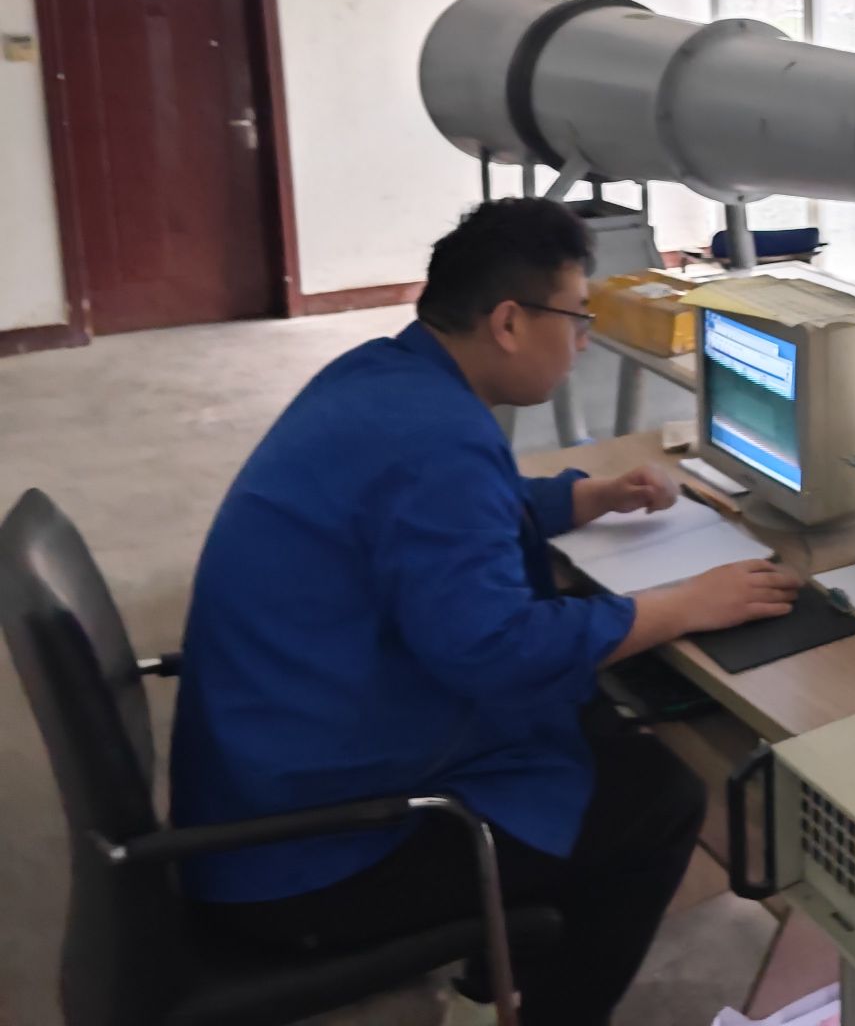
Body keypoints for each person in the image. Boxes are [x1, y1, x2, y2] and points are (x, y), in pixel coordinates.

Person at [170, 198, 801, 1024]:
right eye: (576, 319)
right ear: (508, 322)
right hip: (306, 859)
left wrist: (584, 498)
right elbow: (496, 648)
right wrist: (682, 605)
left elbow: (447, 514)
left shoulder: (387, 376)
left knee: (595, 725)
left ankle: (499, 962)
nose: (582, 344)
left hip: (266, 782)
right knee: (658, 798)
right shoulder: (437, 441)